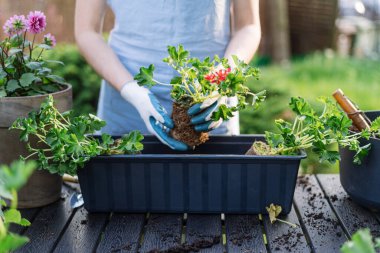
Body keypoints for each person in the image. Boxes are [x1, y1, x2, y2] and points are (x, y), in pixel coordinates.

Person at [75, 0, 261, 150]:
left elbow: (248, 27)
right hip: (126, 104)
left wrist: (219, 81)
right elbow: (87, 31)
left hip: (208, 107)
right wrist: (132, 91)